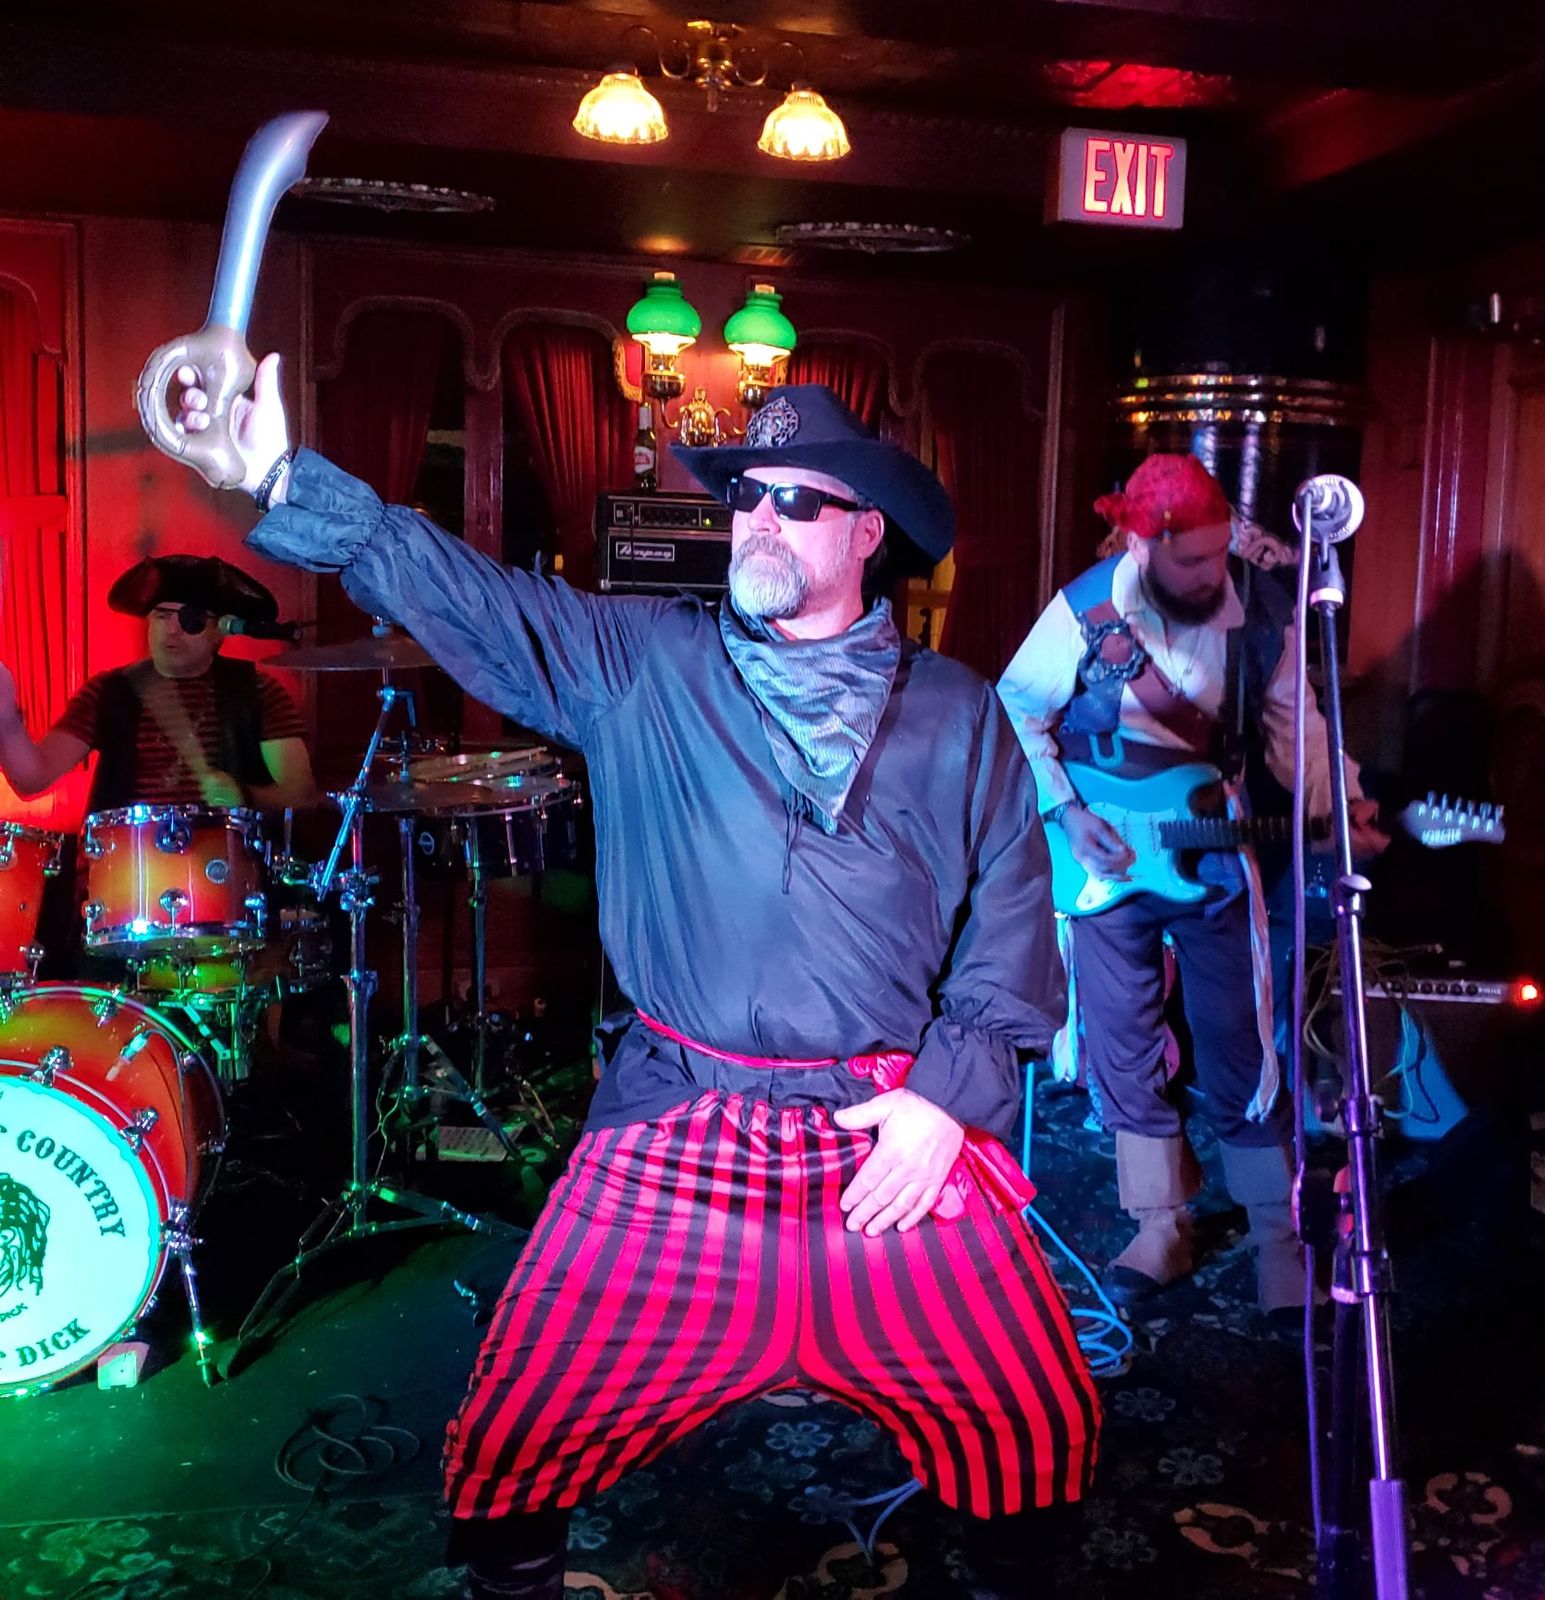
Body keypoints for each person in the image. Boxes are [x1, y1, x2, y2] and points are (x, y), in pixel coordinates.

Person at [173, 358, 1099, 1600]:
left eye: (796, 499)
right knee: (520, 1428)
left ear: (869, 532)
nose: (758, 517)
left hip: (887, 1123)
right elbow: (474, 598)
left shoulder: (961, 714)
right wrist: (284, 479)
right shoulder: (641, 660)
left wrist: (946, 1098)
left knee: (1028, 1416)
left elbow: (1014, 920)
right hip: (682, 1114)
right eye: (745, 495)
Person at [998, 453, 1387, 1318]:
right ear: (1140, 544)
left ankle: (1275, 1234)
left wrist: (1341, 804)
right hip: (1102, 860)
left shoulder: (1261, 612)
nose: (1213, 574)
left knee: (1239, 1041)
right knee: (1121, 1041)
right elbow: (1016, 712)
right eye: (1191, 561)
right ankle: (1159, 1225)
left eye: (1219, 553)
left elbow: (1296, 731)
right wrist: (1065, 813)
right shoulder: (1082, 610)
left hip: (1212, 850)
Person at [0, 553, 317, 813]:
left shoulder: (258, 692)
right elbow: (32, 780)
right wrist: (6, 720)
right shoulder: (108, 693)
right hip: (129, 864)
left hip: (229, 861)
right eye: (162, 616)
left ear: (219, 631)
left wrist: (245, 796)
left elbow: (301, 794)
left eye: (190, 619)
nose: (172, 630)